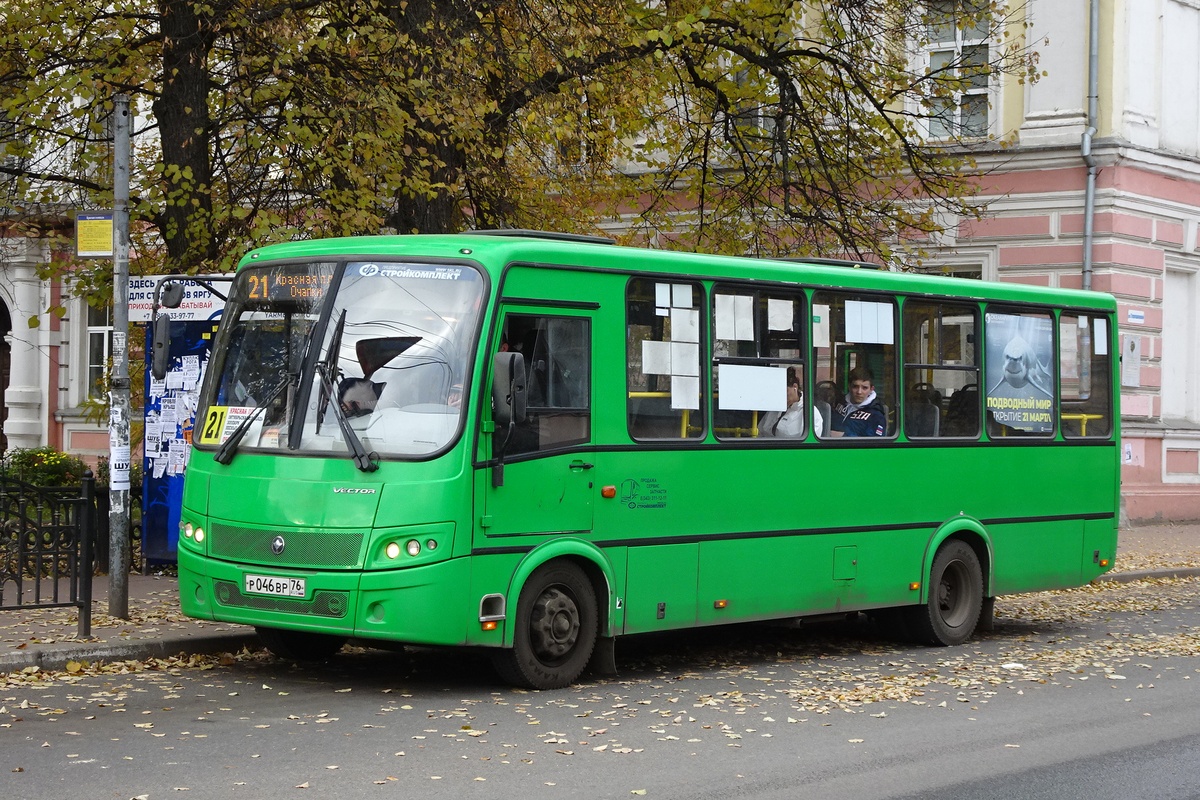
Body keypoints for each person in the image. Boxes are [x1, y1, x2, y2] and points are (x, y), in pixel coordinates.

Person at [761, 367, 824, 438]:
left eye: (784, 391)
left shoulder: (810, 412)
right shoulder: (776, 408)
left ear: (795, 387)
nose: (781, 396)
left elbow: (810, 445)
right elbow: (761, 430)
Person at [830, 367, 887, 437]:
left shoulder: (876, 415)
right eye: (855, 387)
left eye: (864, 388)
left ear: (871, 389)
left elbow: (875, 443)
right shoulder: (839, 404)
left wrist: (844, 436)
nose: (859, 392)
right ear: (849, 387)